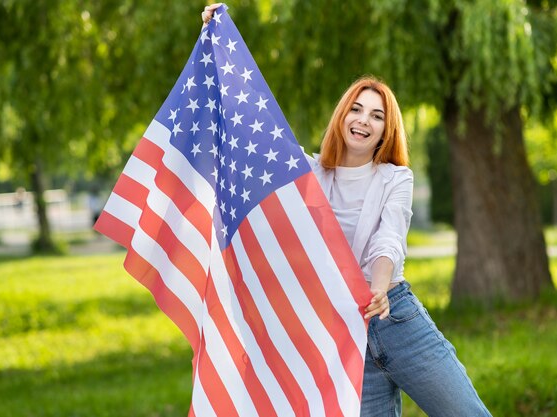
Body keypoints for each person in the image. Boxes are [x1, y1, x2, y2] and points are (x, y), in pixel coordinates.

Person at [202, 5, 492, 416]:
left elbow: (389, 237)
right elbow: (252, 125)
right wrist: (220, 45)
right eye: (356, 109)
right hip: (342, 331)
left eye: (377, 115)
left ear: (384, 132)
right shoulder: (309, 173)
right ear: (342, 116)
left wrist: (379, 286)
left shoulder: (395, 178)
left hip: (396, 318)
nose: (363, 120)